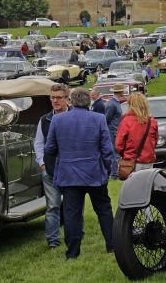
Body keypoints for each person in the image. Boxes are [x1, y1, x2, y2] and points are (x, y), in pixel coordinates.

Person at [44, 88, 115, 259]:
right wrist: (107, 169)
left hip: (69, 175)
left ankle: (73, 252)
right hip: (95, 174)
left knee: (72, 214)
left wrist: (61, 159)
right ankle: (112, 245)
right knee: (104, 210)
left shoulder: (58, 120)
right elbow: (107, 149)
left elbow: (49, 149)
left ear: (71, 101)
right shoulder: (99, 119)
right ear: (88, 101)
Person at [34, 83, 70, 248]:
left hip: (71, 170)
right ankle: (53, 241)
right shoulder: (45, 120)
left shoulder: (74, 116)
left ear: (67, 99)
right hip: (50, 170)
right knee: (53, 206)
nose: (55, 101)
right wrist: (42, 163)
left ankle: (74, 236)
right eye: (52, 98)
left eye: (59, 98)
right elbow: (38, 144)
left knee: (72, 206)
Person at [115, 92, 159, 175]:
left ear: (130, 105)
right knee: (147, 182)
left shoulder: (126, 121)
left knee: (132, 183)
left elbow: (119, 145)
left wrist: (126, 154)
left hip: (131, 161)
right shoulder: (152, 121)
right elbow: (155, 141)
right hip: (148, 161)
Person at [105, 84, 124, 179]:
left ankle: (115, 173)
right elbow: (107, 119)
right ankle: (114, 174)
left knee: (116, 153)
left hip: (116, 131)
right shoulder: (112, 104)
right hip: (113, 132)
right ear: (120, 92)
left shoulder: (115, 103)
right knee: (114, 154)